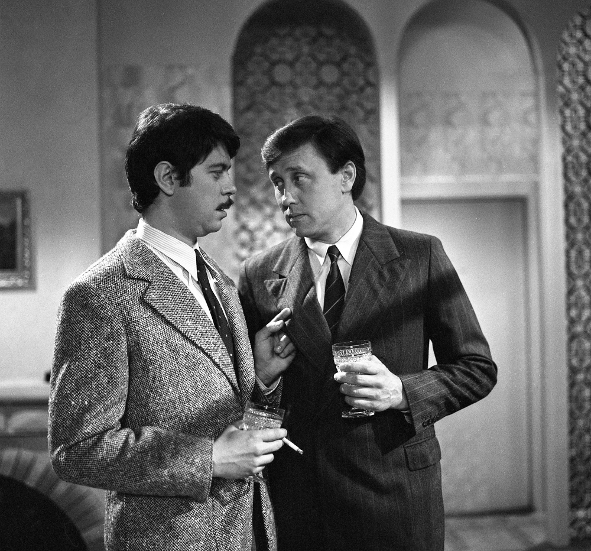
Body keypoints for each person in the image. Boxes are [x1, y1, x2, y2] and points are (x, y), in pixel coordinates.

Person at [238, 114, 498, 551]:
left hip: (395, 497)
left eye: (299, 178)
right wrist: (261, 379)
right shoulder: (259, 273)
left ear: (346, 177)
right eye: (278, 182)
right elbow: (246, 397)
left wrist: (400, 391)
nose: (286, 197)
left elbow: (476, 368)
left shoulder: (419, 255)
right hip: (302, 503)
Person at [49, 103, 295, 551]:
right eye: (217, 172)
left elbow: (222, 408)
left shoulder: (219, 280)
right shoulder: (100, 293)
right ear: (167, 177)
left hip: (246, 533)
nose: (231, 187)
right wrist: (207, 459)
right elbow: (77, 449)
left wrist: (258, 375)